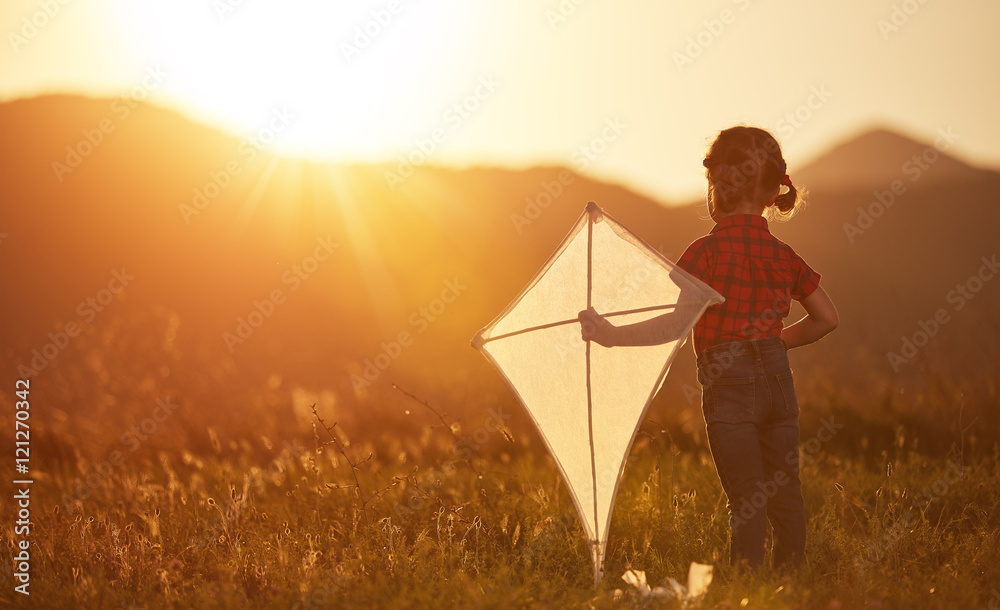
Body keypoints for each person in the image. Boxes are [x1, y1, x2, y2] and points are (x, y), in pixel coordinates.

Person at [578, 125, 838, 570]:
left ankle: (746, 590)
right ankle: (791, 581)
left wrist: (610, 333)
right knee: (784, 490)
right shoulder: (785, 255)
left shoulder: (705, 252)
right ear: (772, 191)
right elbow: (827, 318)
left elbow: (677, 325)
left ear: (718, 187)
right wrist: (777, 341)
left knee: (747, 499)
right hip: (778, 381)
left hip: (729, 382)